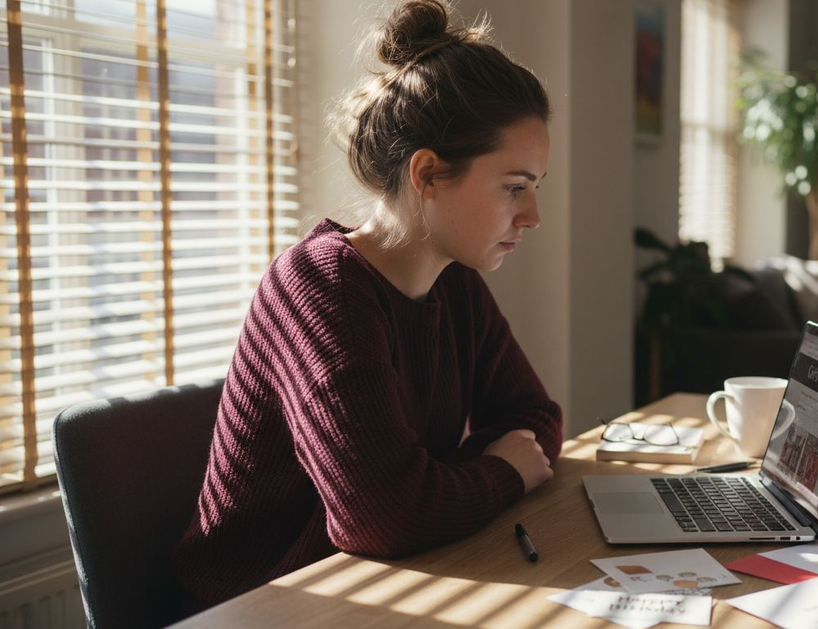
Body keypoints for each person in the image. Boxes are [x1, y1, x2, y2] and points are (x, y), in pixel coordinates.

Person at [171, 0, 562, 612]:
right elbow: (384, 518)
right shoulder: (317, 286)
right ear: (428, 174)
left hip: (381, 581)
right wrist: (496, 473)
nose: (533, 216)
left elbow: (533, 421)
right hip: (259, 604)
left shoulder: (452, 280)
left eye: (535, 188)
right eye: (514, 187)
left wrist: (440, 486)